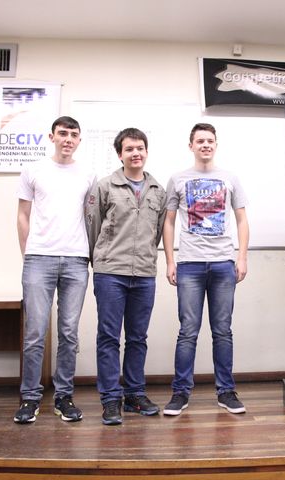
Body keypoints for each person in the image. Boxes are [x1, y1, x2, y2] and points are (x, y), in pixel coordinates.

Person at [162, 122, 249, 416]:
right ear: (191, 146)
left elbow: (242, 220)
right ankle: (180, 393)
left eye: (210, 140)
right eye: (200, 141)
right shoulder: (177, 179)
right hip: (190, 264)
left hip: (223, 263)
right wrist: (170, 261)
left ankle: (226, 391)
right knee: (188, 331)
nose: (205, 145)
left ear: (216, 144)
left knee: (222, 331)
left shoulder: (230, 178)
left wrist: (241, 257)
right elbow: (168, 222)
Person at [13, 116, 94, 424]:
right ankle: (30, 398)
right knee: (35, 332)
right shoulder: (33, 169)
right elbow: (22, 215)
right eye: (63, 133)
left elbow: (91, 217)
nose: (68, 139)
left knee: (69, 333)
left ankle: (64, 397)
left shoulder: (88, 174)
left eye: (73, 134)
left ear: (79, 140)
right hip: (39, 259)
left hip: (76, 260)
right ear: (52, 137)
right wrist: (28, 255)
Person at [85, 127, 166, 425]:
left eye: (140, 148)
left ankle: (134, 395)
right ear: (120, 154)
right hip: (110, 273)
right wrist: (101, 259)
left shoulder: (158, 190)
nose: (135, 153)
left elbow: (157, 232)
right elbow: (92, 226)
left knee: (137, 338)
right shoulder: (105, 186)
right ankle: (110, 399)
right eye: (129, 149)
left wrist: (143, 257)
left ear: (146, 152)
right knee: (108, 337)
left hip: (144, 274)